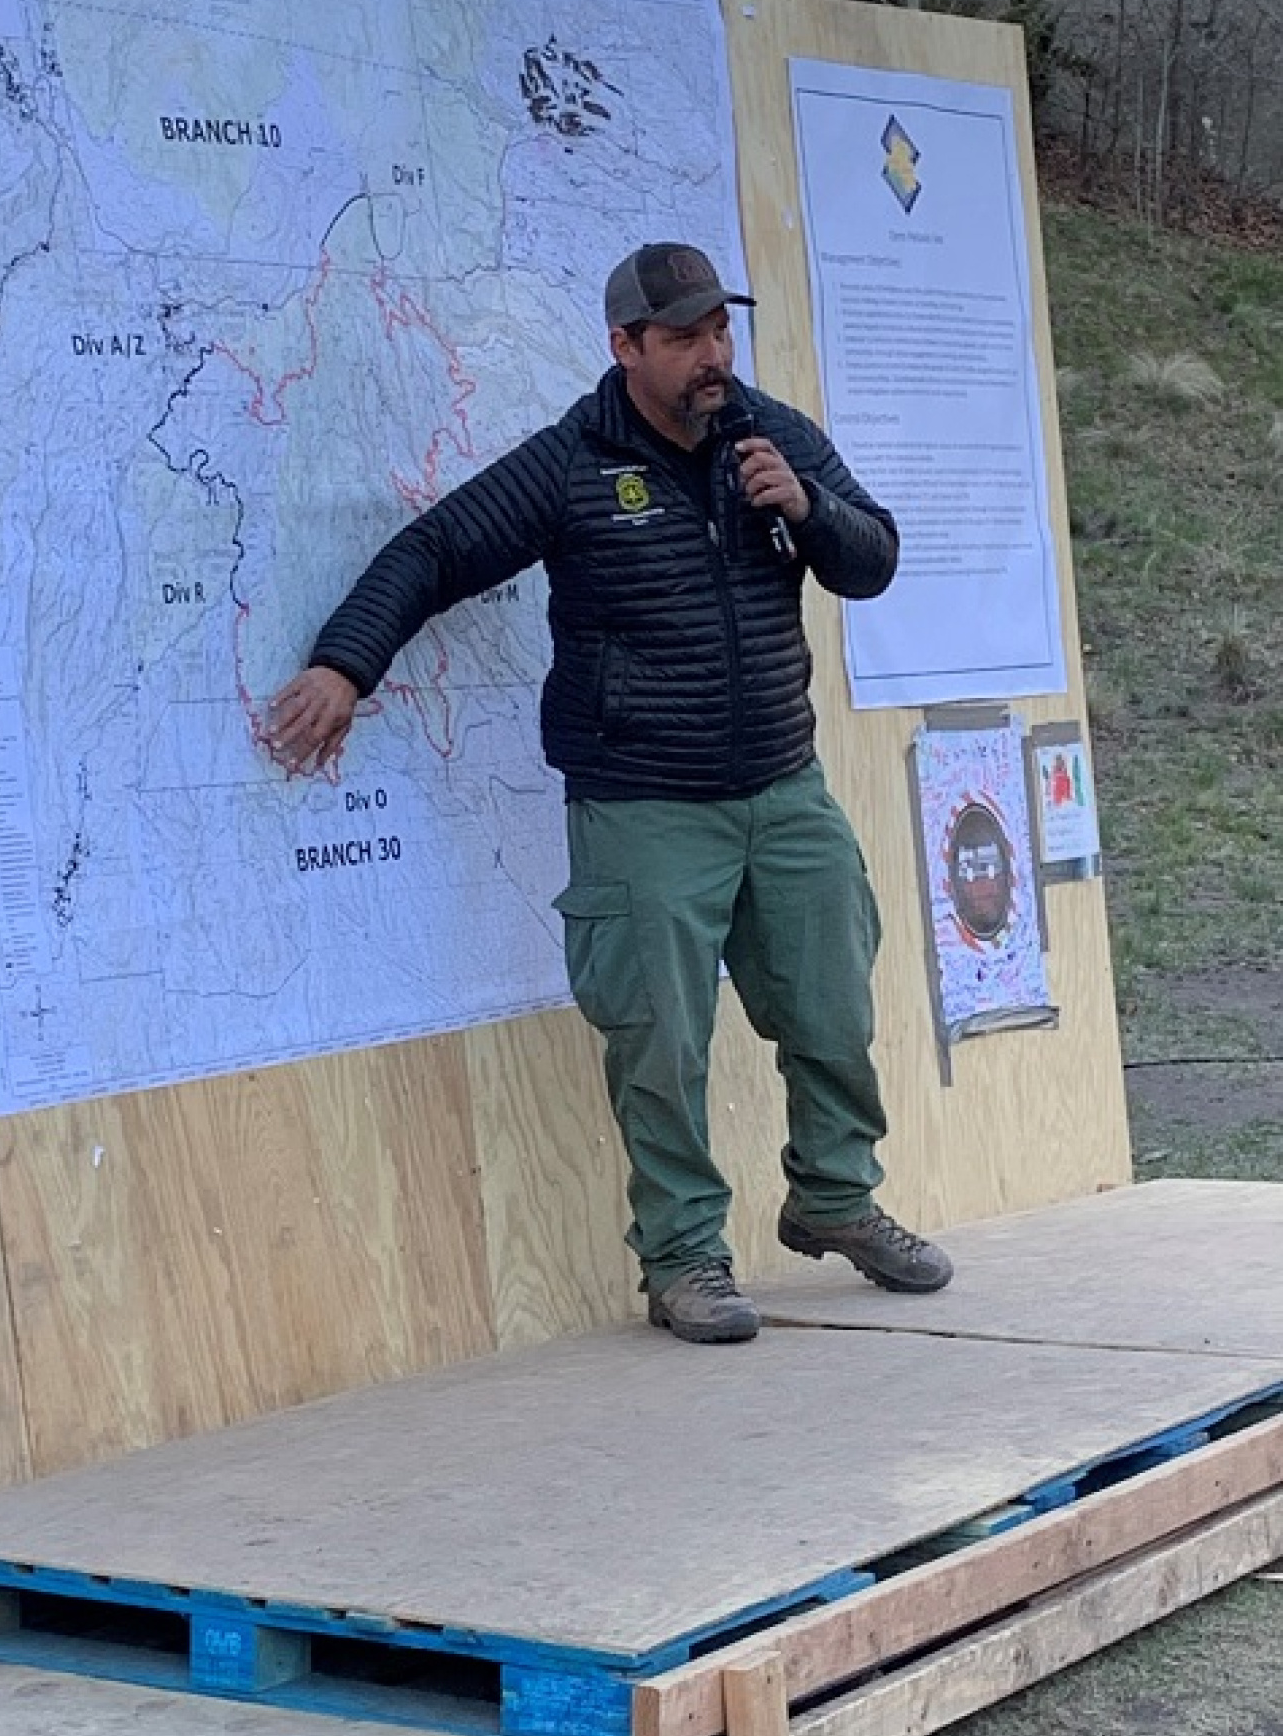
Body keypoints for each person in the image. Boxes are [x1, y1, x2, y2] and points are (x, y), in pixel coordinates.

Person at [269, 242, 953, 1343]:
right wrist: (346, 664)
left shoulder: (770, 436)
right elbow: (437, 549)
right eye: (683, 338)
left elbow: (872, 557)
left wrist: (809, 507)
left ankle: (834, 1198)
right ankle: (684, 1259)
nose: (711, 356)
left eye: (719, 331)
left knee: (833, 1002)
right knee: (661, 1045)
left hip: (784, 786)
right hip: (643, 805)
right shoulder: (574, 464)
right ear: (625, 346)